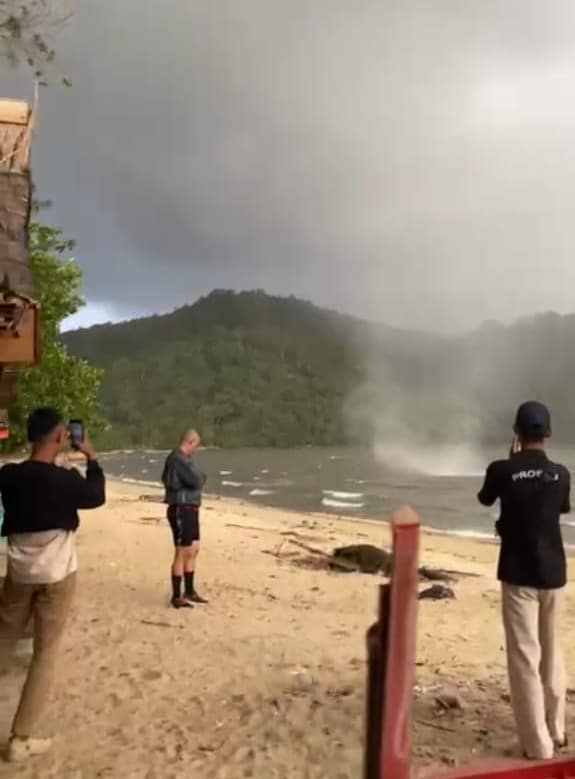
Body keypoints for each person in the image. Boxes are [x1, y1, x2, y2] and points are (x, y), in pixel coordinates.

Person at [0, 407, 105, 762]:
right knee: (45, 653)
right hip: (57, 574)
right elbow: (95, 496)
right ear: (62, 437)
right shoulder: (65, 480)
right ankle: (20, 738)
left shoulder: (9, 476)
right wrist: (92, 457)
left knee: (3, 641)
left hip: (19, 572)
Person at [477, 401, 570, 760]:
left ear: (516, 432)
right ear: (547, 434)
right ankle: (557, 727)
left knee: (524, 657)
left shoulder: (501, 470)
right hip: (554, 574)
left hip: (518, 574)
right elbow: (558, 509)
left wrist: (510, 461)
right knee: (552, 650)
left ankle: (538, 745)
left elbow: (485, 499)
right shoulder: (561, 474)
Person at [161, 429, 207, 608]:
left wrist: (199, 478)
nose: (196, 450)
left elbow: (200, 477)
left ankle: (189, 590)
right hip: (181, 507)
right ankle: (176, 596)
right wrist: (198, 479)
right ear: (190, 442)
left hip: (190, 507)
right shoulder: (178, 459)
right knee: (182, 550)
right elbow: (197, 479)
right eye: (195, 446)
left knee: (193, 548)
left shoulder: (184, 460)